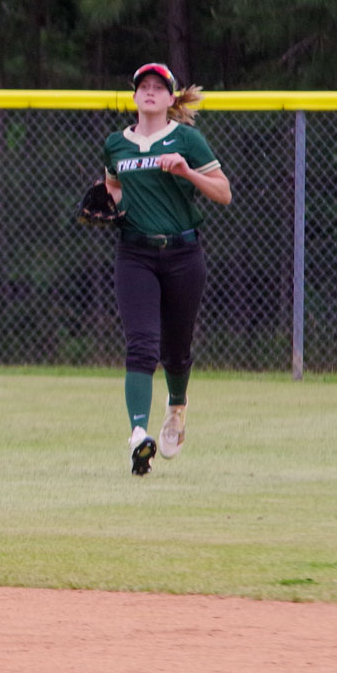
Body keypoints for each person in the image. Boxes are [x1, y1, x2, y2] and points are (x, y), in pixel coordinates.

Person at [96, 62, 232, 476]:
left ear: (171, 98)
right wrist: (107, 205)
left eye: (159, 86)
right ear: (135, 96)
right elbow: (113, 187)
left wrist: (186, 171)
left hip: (182, 254)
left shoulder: (186, 139)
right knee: (141, 345)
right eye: (144, 86)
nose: (151, 91)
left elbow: (224, 193)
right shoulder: (115, 145)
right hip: (134, 254)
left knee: (176, 349)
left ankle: (176, 407)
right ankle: (139, 436)